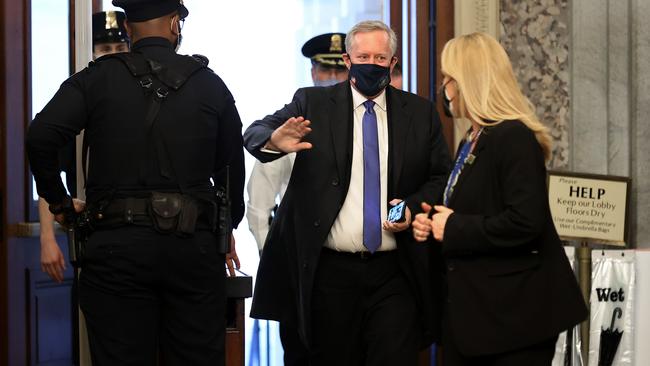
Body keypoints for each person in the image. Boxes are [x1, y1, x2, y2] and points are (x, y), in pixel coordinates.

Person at [26, 0, 245, 365]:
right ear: (176, 24)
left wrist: (60, 204)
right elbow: (231, 170)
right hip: (192, 248)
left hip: (115, 249)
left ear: (128, 28)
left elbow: (40, 136)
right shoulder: (209, 85)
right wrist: (225, 229)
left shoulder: (96, 78)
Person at [244, 20, 450, 365]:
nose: (373, 63)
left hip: (394, 270)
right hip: (331, 273)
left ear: (393, 63)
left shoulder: (419, 113)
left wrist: (412, 207)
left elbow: (440, 176)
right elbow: (255, 130)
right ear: (348, 60)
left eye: (381, 57)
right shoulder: (313, 103)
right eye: (364, 56)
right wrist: (273, 141)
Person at [411, 32, 587, 366]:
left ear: (468, 82)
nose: (444, 88)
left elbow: (525, 222)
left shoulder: (514, 137)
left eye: (449, 79)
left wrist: (453, 227)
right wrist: (433, 221)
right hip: (477, 319)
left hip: (514, 323)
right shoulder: (474, 137)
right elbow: (477, 207)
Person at [38, 9, 131, 284]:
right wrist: (46, 238)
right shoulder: (73, 103)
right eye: (104, 48)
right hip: (93, 229)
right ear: (90, 53)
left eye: (119, 47)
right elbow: (47, 164)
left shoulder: (146, 96)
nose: (112, 54)